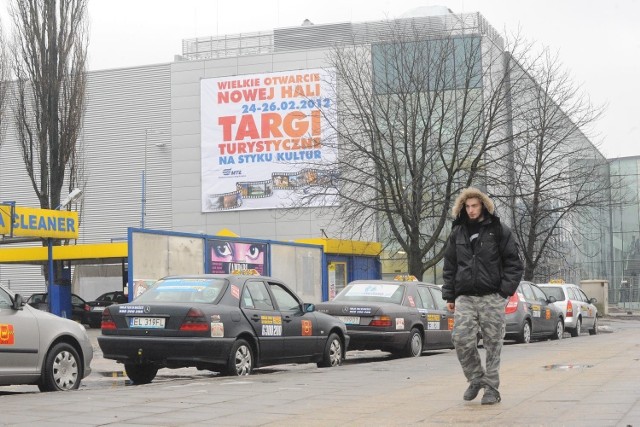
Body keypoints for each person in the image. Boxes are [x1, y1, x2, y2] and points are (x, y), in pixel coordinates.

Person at [442, 187, 523, 405]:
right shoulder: (457, 232)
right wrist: (450, 296)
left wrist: (503, 292)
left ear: (483, 206)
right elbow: (450, 266)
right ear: (462, 208)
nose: (471, 210)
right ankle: (476, 378)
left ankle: (491, 388)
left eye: (475, 206)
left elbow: (514, 264)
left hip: (491, 296)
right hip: (465, 297)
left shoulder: (498, 230)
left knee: (493, 343)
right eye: (467, 206)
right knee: (460, 339)